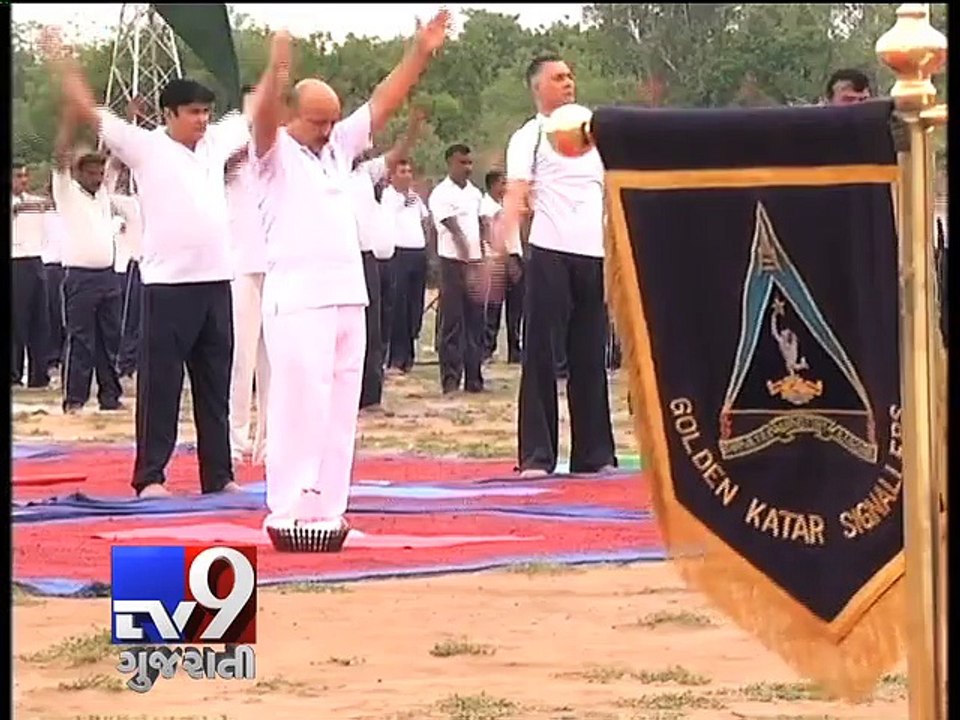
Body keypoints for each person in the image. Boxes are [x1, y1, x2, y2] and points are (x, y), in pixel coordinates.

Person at [250, 13, 450, 548]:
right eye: (317, 121)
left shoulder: (338, 148)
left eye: (331, 120)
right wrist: (276, 70)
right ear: (296, 113)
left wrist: (420, 51)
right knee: (300, 405)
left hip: (346, 296)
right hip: (298, 300)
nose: (327, 130)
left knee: (341, 406)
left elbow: (383, 101)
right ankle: (291, 509)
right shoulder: (271, 156)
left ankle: (329, 510)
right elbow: (264, 118)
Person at [45, 25, 260, 497]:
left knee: (213, 386)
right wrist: (61, 59)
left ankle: (219, 476)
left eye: (206, 111)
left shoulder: (217, 143)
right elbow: (91, 110)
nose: (202, 120)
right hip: (168, 287)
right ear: (169, 114)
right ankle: (150, 477)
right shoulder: (145, 146)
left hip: (215, 283)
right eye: (193, 113)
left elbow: (254, 110)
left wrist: (280, 66)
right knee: (161, 386)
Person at [497, 53, 617, 478]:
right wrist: (503, 241)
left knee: (590, 354)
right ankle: (537, 456)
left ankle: (595, 453)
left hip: (594, 256)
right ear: (538, 87)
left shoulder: (595, 136)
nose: (569, 83)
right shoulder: (528, 137)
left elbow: (611, 194)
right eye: (558, 78)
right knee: (542, 355)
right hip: (549, 253)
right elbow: (517, 194)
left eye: (570, 76)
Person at [51, 124, 124, 414]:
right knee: (81, 339)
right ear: (78, 174)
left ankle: (110, 396)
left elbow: (116, 156)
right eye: (91, 173)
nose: (97, 178)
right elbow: (59, 159)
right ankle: (75, 400)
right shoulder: (67, 193)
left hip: (108, 276)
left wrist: (125, 122)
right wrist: (68, 126)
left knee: (110, 338)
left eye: (99, 173)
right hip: (80, 277)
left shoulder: (103, 194)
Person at [354, 110, 424, 410]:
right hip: (340, 258)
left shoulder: (364, 173)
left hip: (369, 258)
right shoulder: (322, 168)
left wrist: (411, 132)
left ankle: (370, 395)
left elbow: (395, 156)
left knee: (373, 326)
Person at [226, 84, 270, 465]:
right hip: (240, 264)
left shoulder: (279, 152)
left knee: (275, 358)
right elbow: (213, 170)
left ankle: (270, 443)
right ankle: (234, 441)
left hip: (277, 263)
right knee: (241, 359)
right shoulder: (228, 151)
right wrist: (244, 145)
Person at [429, 144, 486, 394]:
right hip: (453, 263)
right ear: (450, 163)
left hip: (474, 262)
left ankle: (474, 377)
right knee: (452, 321)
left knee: (476, 320)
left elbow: (480, 223)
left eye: (469, 163)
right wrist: (464, 247)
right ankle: (450, 378)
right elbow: (450, 224)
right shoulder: (441, 193)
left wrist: (482, 254)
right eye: (462, 163)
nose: (467, 168)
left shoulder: (474, 194)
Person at [381, 152, 431, 374]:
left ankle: (409, 355)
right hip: (398, 254)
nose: (407, 175)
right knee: (398, 308)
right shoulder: (388, 197)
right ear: (392, 176)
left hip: (417, 253)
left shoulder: (416, 198)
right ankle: (395, 358)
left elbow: (425, 220)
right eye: (402, 171)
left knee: (414, 307)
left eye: (409, 171)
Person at [12, 161, 55, 388]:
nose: (23, 181)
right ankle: (14, 374)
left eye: (25, 176)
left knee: (41, 321)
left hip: (36, 260)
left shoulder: (32, 202)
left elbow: (51, 204)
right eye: (18, 176)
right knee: (17, 323)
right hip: (15, 261)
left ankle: (40, 375)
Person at [479, 169, 523, 364]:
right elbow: (490, 235)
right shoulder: (487, 207)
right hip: (497, 259)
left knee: (516, 308)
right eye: (502, 183)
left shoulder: (507, 205)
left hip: (514, 255)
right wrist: (507, 259)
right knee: (494, 307)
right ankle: (487, 349)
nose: (505, 187)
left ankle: (515, 350)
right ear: (493, 185)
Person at [106, 159, 144, 380]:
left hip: (163, 267)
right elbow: (106, 193)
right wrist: (113, 164)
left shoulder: (169, 201)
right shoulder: (132, 204)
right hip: (137, 265)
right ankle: (127, 363)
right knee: (131, 319)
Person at [40, 182, 68, 374]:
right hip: (50, 265)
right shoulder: (44, 213)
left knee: (67, 315)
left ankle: (65, 356)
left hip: (69, 266)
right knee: (53, 313)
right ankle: (53, 357)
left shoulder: (72, 212)